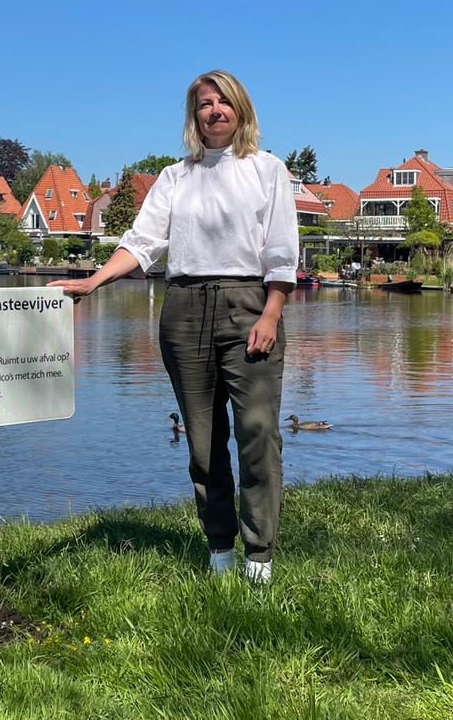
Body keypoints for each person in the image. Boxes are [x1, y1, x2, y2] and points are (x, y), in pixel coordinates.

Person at [53, 69, 296, 583]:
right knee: (203, 441)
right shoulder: (174, 177)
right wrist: (93, 282)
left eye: (223, 102)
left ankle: (259, 558)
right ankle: (219, 551)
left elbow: (280, 254)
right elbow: (141, 243)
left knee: (257, 432)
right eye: (204, 104)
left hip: (248, 303)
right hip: (184, 308)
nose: (214, 111)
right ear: (194, 116)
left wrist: (271, 313)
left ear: (240, 110)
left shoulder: (269, 170)